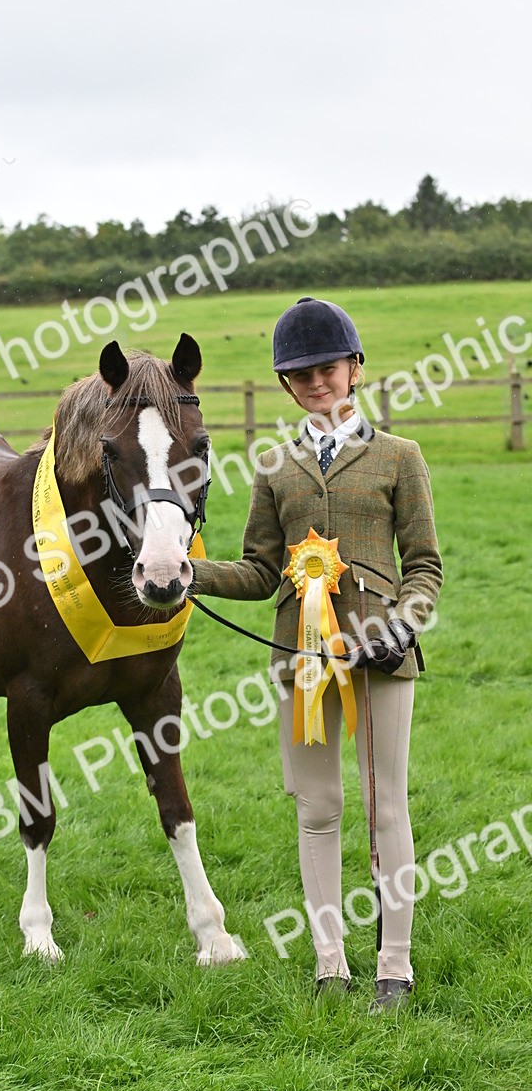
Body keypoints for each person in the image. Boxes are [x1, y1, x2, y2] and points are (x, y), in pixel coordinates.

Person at [190, 297, 443, 1012]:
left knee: (385, 806)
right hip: (300, 658)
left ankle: (395, 965)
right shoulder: (274, 467)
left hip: (383, 656)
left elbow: (425, 564)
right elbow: (260, 571)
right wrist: (191, 573)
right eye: (298, 374)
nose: (314, 383)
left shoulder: (400, 457)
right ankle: (330, 962)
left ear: (355, 368)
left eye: (326, 368)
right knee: (318, 806)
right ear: (285, 384)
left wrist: (404, 619)